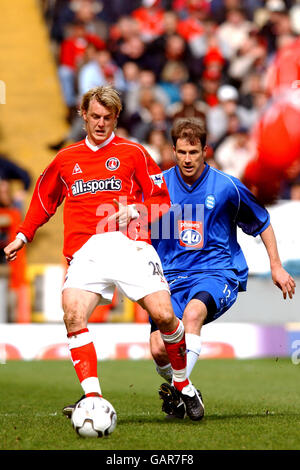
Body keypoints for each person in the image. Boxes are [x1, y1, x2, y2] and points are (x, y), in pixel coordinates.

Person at [4, 86, 204, 422]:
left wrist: (137, 209)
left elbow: (162, 201)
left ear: (116, 118)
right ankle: (93, 398)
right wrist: (24, 233)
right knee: (72, 313)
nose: (100, 123)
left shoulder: (134, 153)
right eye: (95, 116)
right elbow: (44, 199)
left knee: (166, 316)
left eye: (107, 118)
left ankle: (183, 385)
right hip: (87, 252)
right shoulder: (66, 159)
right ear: (83, 115)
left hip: (130, 245)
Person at [149, 117, 296, 419]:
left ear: (206, 150)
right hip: (172, 278)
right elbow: (144, 234)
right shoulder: (158, 187)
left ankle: (179, 392)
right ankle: (186, 388)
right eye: (181, 152)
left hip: (217, 272)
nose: (187, 159)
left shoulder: (227, 187)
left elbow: (262, 222)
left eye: (194, 152)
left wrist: (276, 266)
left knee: (192, 315)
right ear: (172, 151)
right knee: (158, 349)